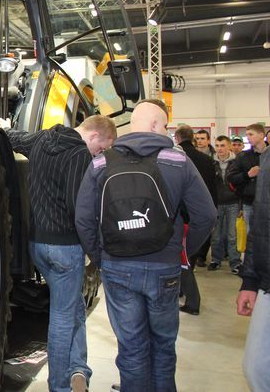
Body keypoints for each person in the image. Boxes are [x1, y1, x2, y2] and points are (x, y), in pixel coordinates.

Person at [75, 99, 216, 392]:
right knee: (163, 347)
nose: (167, 130)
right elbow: (207, 215)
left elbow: (84, 220)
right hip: (164, 266)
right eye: (165, 125)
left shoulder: (101, 162)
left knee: (131, 348)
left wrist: (101, 258)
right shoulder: (178, 161)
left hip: (117, 266)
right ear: (154, 125)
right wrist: (183, 252)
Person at [8, 115, 117, 392]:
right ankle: (60, 386)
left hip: (37, 246)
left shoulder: (43, 138)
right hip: (66, 248)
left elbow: (13, 138)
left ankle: (78, 370)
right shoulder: (80, 154)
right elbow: (78, 209)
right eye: (102, 148)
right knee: (62, 316)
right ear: (93, 136)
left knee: (73, 306)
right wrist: (95, 250)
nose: (99, 155)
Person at [236, 139, 269, 391]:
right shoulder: (266, 158)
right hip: (266, 282)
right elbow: (261, 223)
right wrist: (250, 281)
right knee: (256, 367)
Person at [173, 125, 216, 315]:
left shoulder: (177, 159)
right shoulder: (206, 160)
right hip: (202, 216)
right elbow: (212, 191)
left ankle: (193, 301)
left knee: (184, 261)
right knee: (186, 259)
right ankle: (183, 292)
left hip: (182, 216)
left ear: (177, 137)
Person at [228, 123, 267, 234]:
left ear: (261, 135)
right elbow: (231, 178)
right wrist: (247, 175)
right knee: (251, 235)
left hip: (267, 202)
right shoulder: (242, 156)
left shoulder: (268, 155)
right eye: (247, 135)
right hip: (249, 203)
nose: (248, 137)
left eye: (251, 134)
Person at [210, 135, 241, 274]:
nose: (219, 149)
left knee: (232, 235)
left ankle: (235, 262)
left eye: (222, 145)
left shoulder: (237, 162)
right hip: (216, 203)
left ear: (229, 146)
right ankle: (216, 260)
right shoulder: (211, 162)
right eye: (217, 145)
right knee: (216, 235)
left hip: (233, 203)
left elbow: (241, 184)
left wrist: (241, 205)